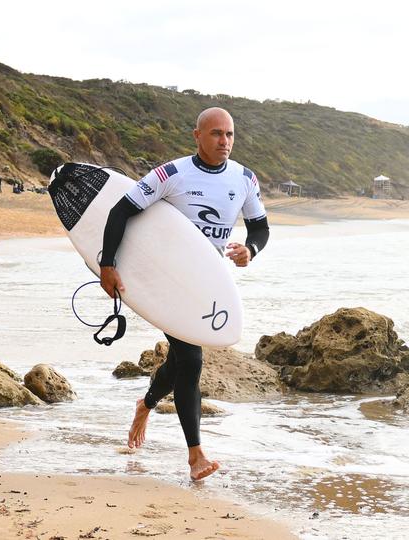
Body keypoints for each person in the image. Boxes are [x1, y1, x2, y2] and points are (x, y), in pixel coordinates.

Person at [99, 107, 269, 481]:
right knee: (191, 360)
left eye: (229, 135)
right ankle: (196, 457)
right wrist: (107, 264)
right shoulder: (172, 174)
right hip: (167, 279)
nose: (224, 141)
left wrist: (250, 251)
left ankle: (145, 403)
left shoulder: (244, 179)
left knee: (180, 360)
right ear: (197, 135)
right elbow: (120, 210)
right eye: (216, 134)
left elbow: (260, 228)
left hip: (206, 282)